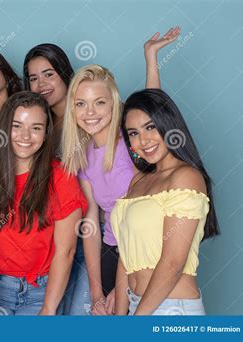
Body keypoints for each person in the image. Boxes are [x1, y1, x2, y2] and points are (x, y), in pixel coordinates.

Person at [61, 27, 181, 315]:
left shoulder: (133, 140)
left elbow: (154, 113)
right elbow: (91, 224)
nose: (90, 112)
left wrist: (150, 58)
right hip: (112, 250)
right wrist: (96, 292)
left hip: (149, 251)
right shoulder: (83, 156)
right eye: (81, 104)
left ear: (114, 103)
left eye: (99, 102)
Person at [0, 91, 87, 315]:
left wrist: (48, 308)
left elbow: (66, 250)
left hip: (42, 291)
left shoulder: (61, 178)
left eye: (35, 128)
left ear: (46, 133)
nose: (25, 136)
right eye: (17, 126)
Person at [113, 88, 219, 315]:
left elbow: (173, 263)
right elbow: (127, 255)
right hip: (136, 305)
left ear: (168, 125)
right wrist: (121, 318)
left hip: (172, 310)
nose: (143, 140)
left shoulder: (186, 177)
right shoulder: (138, 180)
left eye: (150, 127)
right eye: (133, 133)